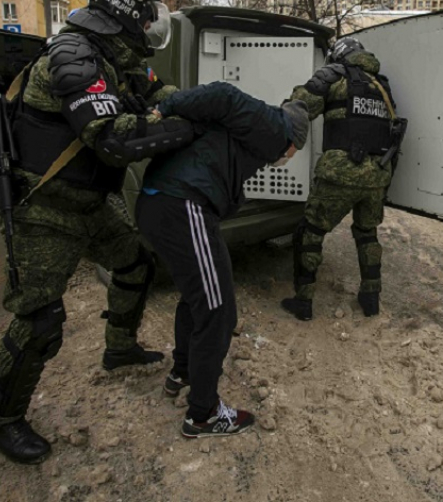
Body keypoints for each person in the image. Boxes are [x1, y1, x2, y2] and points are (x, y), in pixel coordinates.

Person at [0, 0, 194, 464]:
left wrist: (203, 106)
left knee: (136, 264)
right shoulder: (73, 56)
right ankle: (2, 420)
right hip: (47, 209)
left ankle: (118, 347)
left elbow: (161, 94)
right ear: (121, 15)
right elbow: (113, 139)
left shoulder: (116, 63)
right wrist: (182, 128)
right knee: (39, 318)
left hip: (91, 203)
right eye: (143, 19)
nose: (148, 30)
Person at [135, 83, 309, 438]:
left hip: (160, 204)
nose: (289, 157)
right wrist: (164, 108)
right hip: (183, 204)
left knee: (198, 297)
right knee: (218, 312)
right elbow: (222, 94)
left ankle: (182, 374)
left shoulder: (245, 139)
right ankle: (204, 414)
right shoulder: (276, 127)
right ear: (294, 139)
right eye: (295, 151)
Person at [280, 37, 402, 321]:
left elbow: (301, 107)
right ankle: (371, 298)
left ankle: (304, 301)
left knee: (310, 233)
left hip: (340, 173)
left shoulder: (333, 76)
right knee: (367, 234)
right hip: (377, 174)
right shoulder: (381, 85)